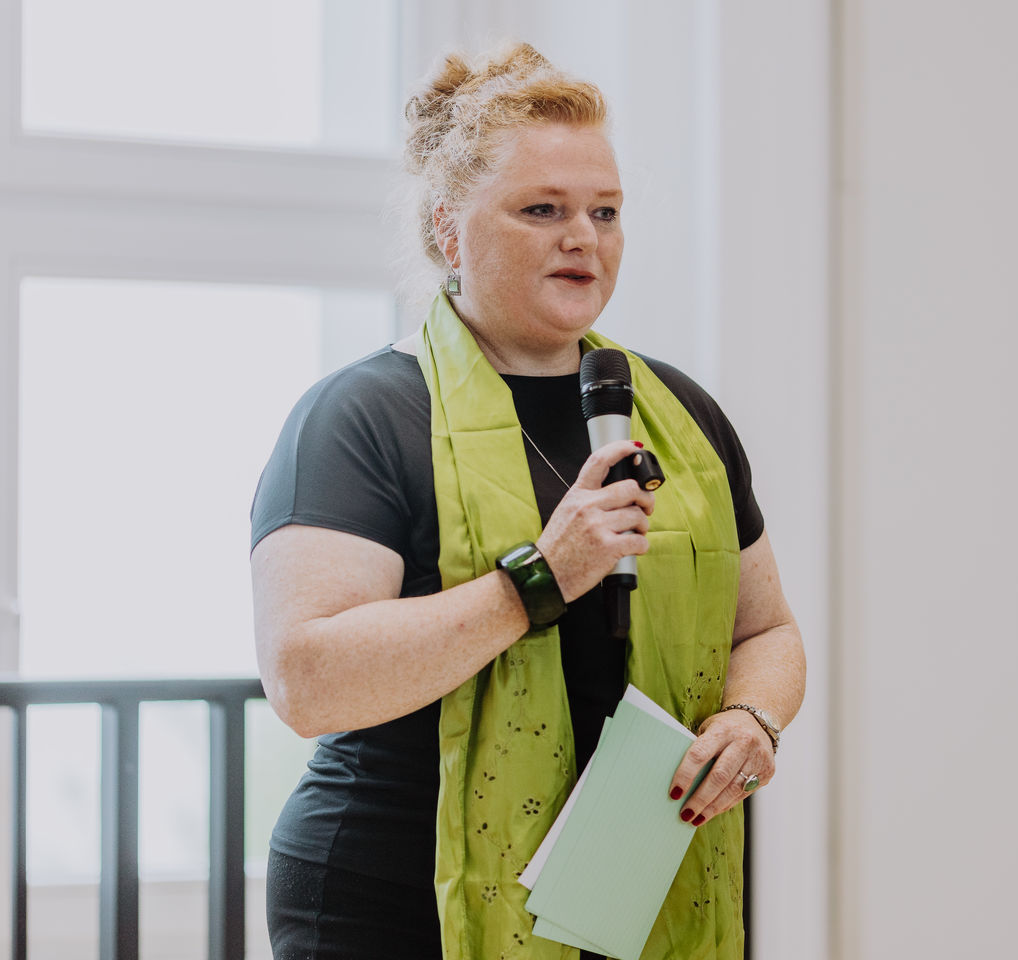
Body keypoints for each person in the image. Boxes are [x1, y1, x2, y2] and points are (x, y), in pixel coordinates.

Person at [250, 42, 805, 960]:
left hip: (631, 879)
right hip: (396, 900)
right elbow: (308, 681)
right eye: (541, 210)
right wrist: (540, 579)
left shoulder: (678, 413)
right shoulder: (363, 416)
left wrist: (751, 719)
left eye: (605, 211)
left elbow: (768, 631)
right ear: (448, 233)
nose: (582, 236)